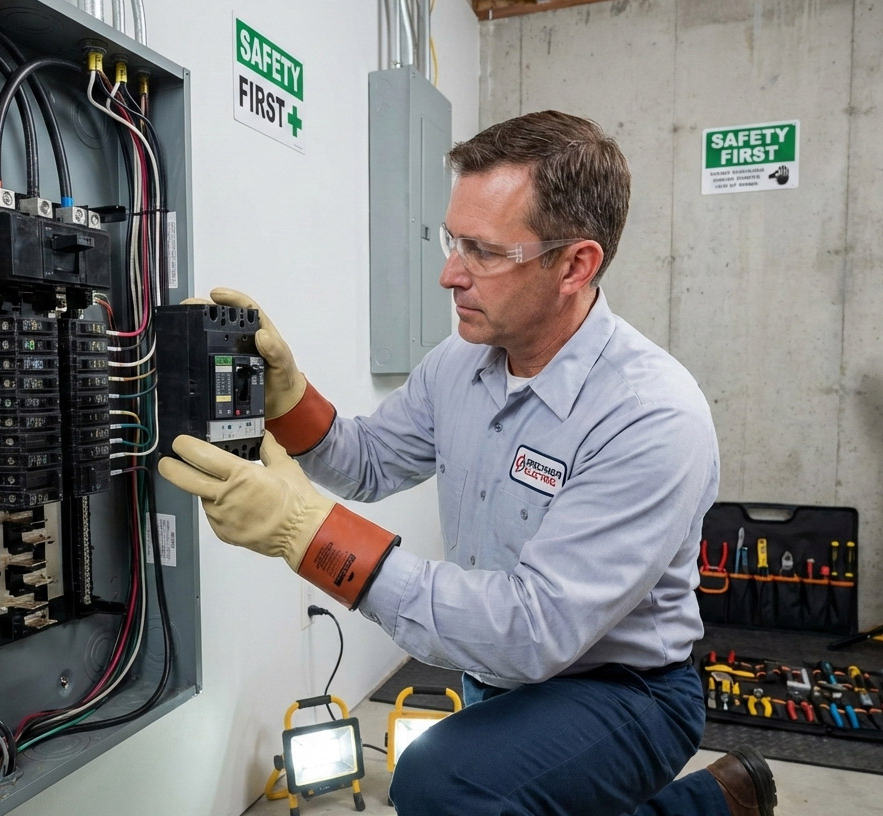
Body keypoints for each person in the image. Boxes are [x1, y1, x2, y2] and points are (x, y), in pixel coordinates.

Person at [158, 111, 778, 816]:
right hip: (499, 674)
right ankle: (716, 804)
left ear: (575, 263)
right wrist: (291, 398)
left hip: (626, 690)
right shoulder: (461, 362)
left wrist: (310, 536)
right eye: (453, 241)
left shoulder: (651, 415)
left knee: (440, 780)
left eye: (483, 251)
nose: (451, 274)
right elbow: (366, 462)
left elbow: (532, 629)